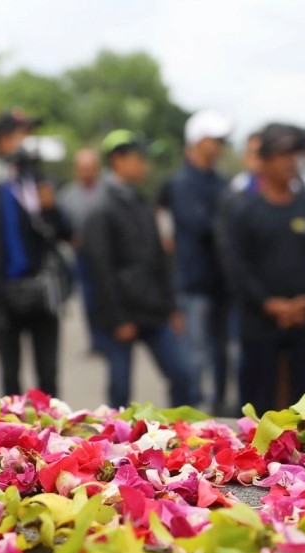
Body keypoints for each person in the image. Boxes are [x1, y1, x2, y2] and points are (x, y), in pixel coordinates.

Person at [0, 109, 73, 399]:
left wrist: (51, 208)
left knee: (48, 376)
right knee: (9, 377)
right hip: (3, 293)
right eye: (19, 134)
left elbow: (65, 233)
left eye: (29, 133)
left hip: (42, 289)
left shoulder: (39, 180)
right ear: (1, 140)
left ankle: (53, 439)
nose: (26, 141)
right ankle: (11, 439)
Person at [81, 130, 195, 410]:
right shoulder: (101, 207)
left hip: (154, 310)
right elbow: (100, 270)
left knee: (183, 377)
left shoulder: (142, 201)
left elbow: (159, 259)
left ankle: (179, 436)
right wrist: (118, 319)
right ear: (118, 160)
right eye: (138, 158)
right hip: (122, 316)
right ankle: (116, 449)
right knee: (120, 392)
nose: (144, 165)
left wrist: (172, 307)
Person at [225, 123, 305, 411]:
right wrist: (268, 303)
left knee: (304, 401)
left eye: (294, 154)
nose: (289, 162)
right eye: (280, 154)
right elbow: (236, 266)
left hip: (304, 320)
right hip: (260, 322)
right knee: (258, 399)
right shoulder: (244, 211)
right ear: (263, 161)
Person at [163, 109, 234, 413]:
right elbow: (203, 225)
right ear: (197, 141)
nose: (218, 145)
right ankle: (191, 411)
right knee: (195, 351)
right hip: (193, 281)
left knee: (221, 350)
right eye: (213, 139)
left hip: (221, 281)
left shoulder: (219, 181)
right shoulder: (182, 183)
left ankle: (217, 405)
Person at [57, 147, 107, 354]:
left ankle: (110, 337)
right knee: (88, 298)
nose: (87, 173)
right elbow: (60, 224)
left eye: (90, 168)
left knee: (108, 295)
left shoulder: (108, 191)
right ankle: (96, 340)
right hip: (83, 255)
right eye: (82, 168)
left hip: (108, 255)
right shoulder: (67, 195)